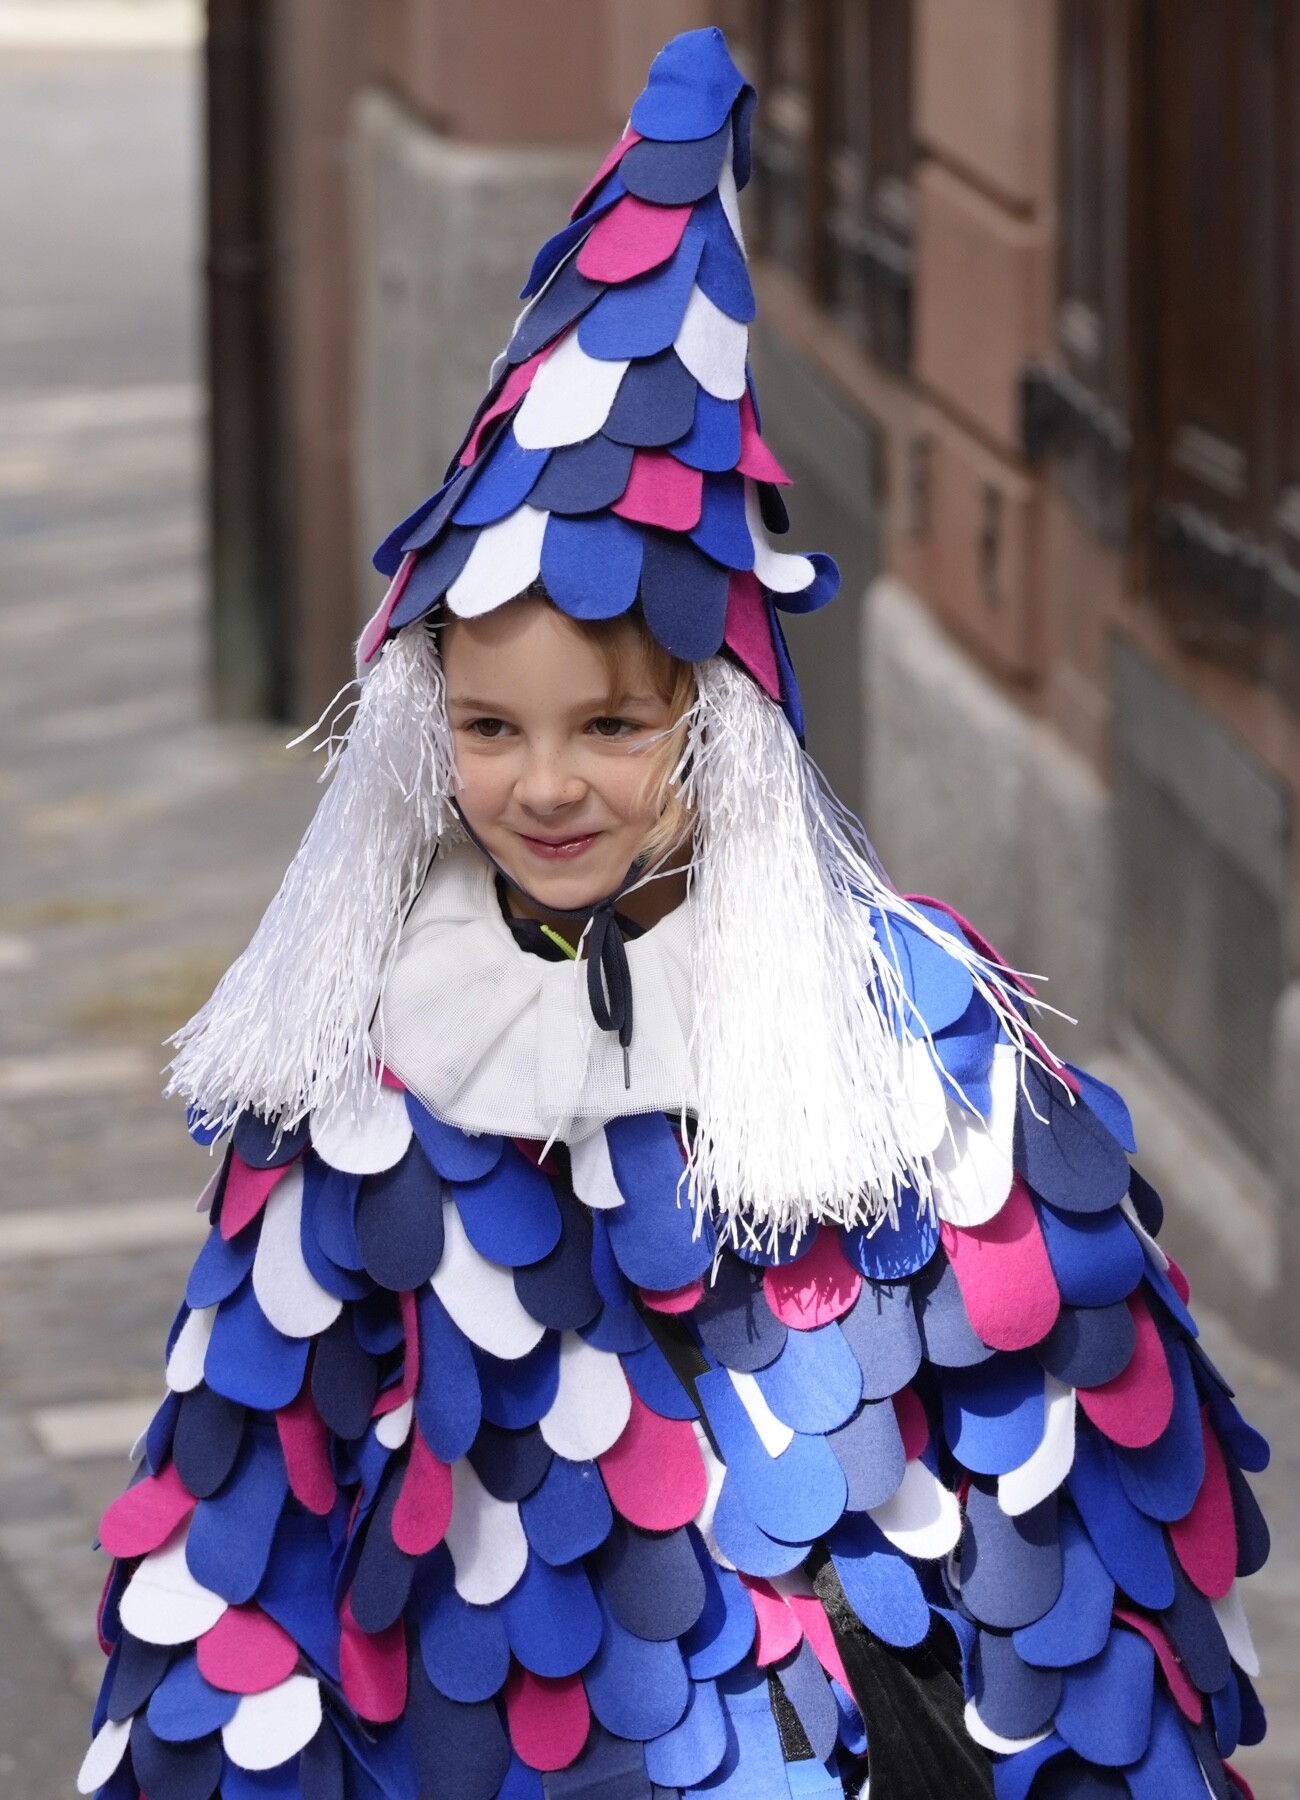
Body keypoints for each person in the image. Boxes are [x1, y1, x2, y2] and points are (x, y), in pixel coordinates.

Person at [78, 28, 1268, 1800]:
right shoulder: (355, 1064)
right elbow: (246, 1520)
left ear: (718, 727)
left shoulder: (905, 1041)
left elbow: (1069, 1501)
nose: (545, 785)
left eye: (615, 727)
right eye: (491, 728)